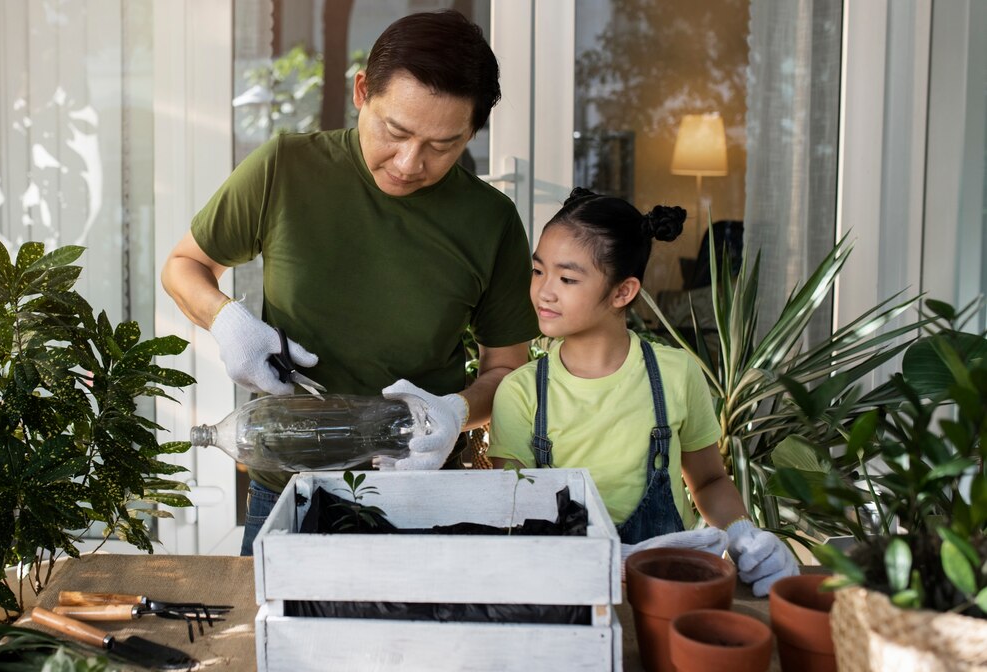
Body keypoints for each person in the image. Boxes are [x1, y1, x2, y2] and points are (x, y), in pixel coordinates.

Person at [161, 11, 539, 556]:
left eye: (443, 144)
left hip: (425, 492)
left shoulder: (491, 220)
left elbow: (507, 369)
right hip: (291, 485)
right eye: (397, 131)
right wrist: (227, 320)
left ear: (471, 132)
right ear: (362, 91)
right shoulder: (284, 169)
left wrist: (455, 412)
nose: (410, 163)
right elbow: (183, 265)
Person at [488, 188, 798, 596]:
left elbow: (707, 481)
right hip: (569, 591)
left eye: (566, 278)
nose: (544, 291)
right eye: (537, 271)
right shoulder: (520, 393)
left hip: (671, 586)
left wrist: (745, 535)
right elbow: (515, 515)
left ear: (623, 292)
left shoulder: (675, 373)